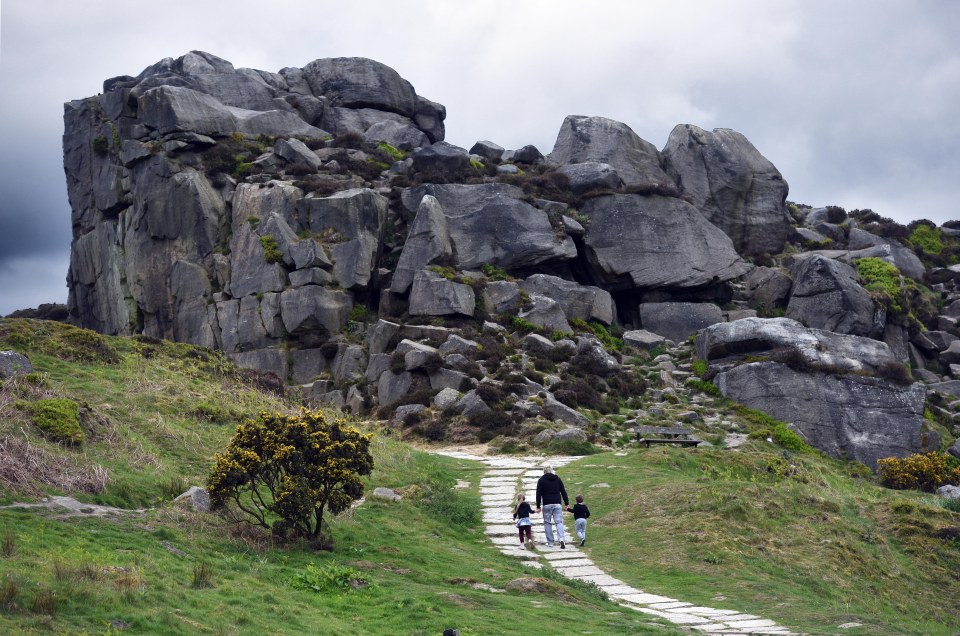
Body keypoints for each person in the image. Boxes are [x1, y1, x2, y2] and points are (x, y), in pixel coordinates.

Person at [535, 464, 569, 549]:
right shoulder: (557, 479)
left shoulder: (541, 480)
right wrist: (566, 503)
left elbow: (538, 494)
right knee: (559, 522)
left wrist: (538, 506)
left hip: (547, 504)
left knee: (547, 522)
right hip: (557, 503)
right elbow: (563, 491)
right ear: (552, 470)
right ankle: (561, 539)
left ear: (544, 471)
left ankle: (550, 542)